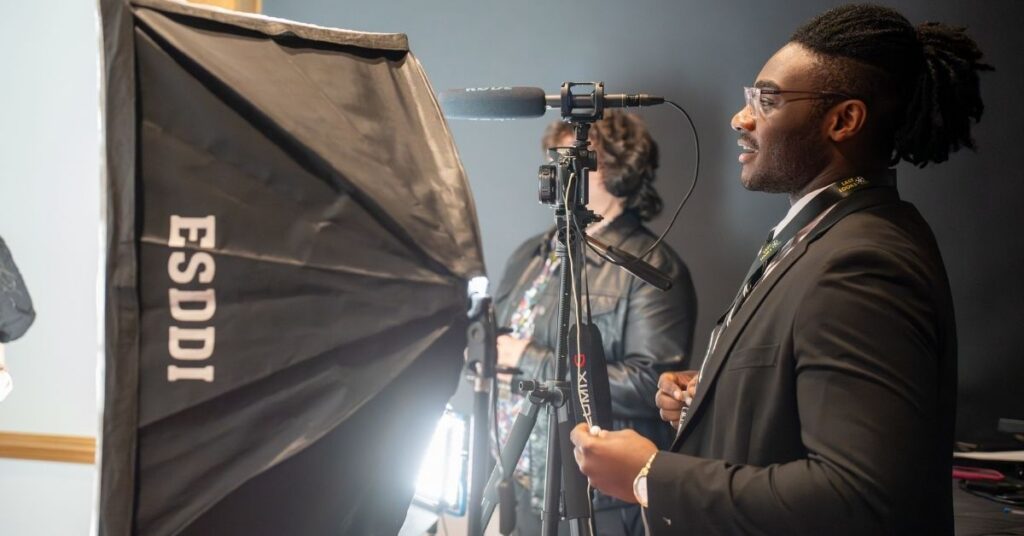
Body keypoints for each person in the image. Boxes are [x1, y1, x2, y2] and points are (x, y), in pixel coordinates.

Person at [570, 4, 991, 535]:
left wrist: (652, 475)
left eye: (767, 100)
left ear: (844, 120)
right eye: (751, 97)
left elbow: (857, 495)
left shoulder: (863, 262)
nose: (741, 118)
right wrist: (717, 399)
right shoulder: (823, 232)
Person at [493, 109, 697, 535]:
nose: (559, 171)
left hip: (595, 496)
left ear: (616, 172)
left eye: (575, 160)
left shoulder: (652, 265)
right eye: (556, 159)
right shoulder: (536, 252)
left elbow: (649, 383)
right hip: (522, 481)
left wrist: (529, 359)